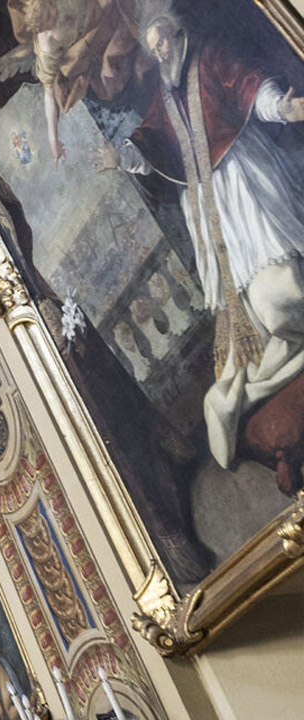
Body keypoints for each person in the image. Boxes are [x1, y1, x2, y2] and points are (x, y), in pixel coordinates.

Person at [99, 6, 304, 490]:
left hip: (244, 184)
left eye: (162, 41)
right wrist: (121, 158)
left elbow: (249, 89)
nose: (159, 52)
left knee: (281, 290)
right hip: (209, 208)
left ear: (175, 33)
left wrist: (284, 109)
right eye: (152, 48)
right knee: (251, 310)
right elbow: (152, 144)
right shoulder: (164, 97)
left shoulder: (210, 60)